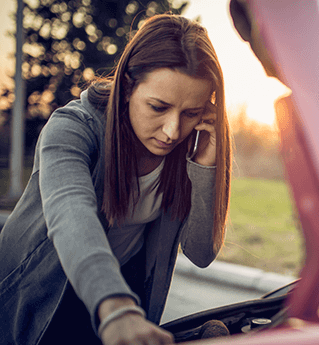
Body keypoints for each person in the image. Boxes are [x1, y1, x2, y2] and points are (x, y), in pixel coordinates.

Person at [0, 14, 231, 345]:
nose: (172, 131)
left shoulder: (190, 146)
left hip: (120, 303)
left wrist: (205, 167)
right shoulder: (72, 128)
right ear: (126, 89)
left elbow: (200, 252)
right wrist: (116, 307)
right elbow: (71, 215)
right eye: (158, 107)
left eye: (191, 113)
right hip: (42, 302)